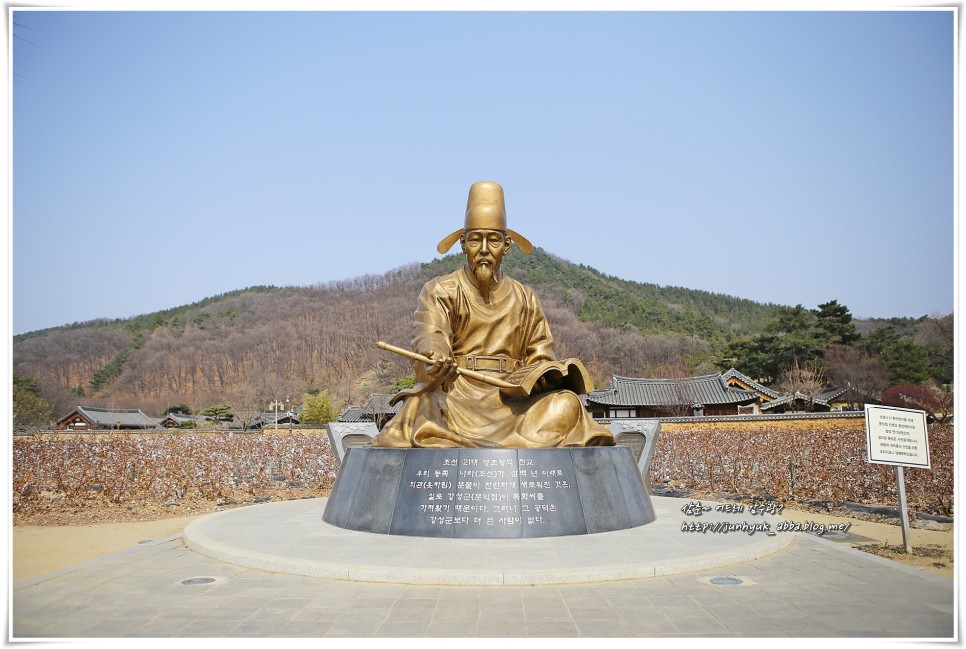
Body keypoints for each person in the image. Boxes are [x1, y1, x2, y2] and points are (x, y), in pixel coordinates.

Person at [371, 181, 614, 448]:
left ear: (506, 246)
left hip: (512, 402)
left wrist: (543, 376)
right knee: (422, 403)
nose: (484, 249)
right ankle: (513, 445)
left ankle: (484, 442)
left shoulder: (525, 297)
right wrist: (435, 356)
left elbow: (542, 354)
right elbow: (430, 333)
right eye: (476, 239)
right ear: (463, 244)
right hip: (457, 395)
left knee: (566, 404)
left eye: (494, 240)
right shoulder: (441, 289)